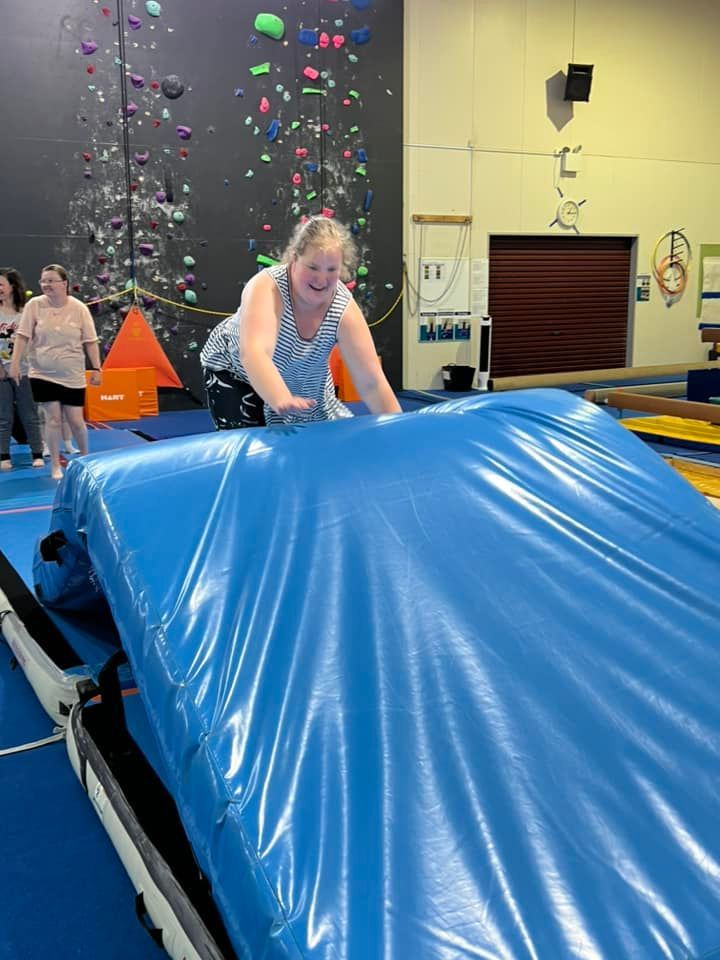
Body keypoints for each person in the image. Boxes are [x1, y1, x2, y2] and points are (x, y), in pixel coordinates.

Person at [200, 217, 401, 428]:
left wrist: (399, 428)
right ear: (294, 258)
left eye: (331, 270)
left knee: (321, 440)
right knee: (257, 444)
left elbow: (372, 382)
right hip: (236, 371)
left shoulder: (342, 308)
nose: (321, 280)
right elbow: (255, 353)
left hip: (302, 380)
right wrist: (279, 396)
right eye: (313, 268)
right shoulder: (268, 288)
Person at [9, 264, 102, 480]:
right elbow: (22, 336)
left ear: (64, 283)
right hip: (42, 373)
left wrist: (97, 368)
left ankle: (86, 460)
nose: (46, 285)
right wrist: (15, 363)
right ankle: (55, 467)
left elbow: (90, 342)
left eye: (51, 280)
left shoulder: (79, 308)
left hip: (72, 374)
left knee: (76, 421)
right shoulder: (35, 305)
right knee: (52, 419)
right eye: (43, 281)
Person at [0, 267, 44, 471]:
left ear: (12, 287)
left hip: (25, 370)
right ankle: (4, 455)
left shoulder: (26, 312)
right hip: (2, 371)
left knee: (30, 413)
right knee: (4, 415)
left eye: (1, 284)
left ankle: (37, 452)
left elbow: (35, 340)